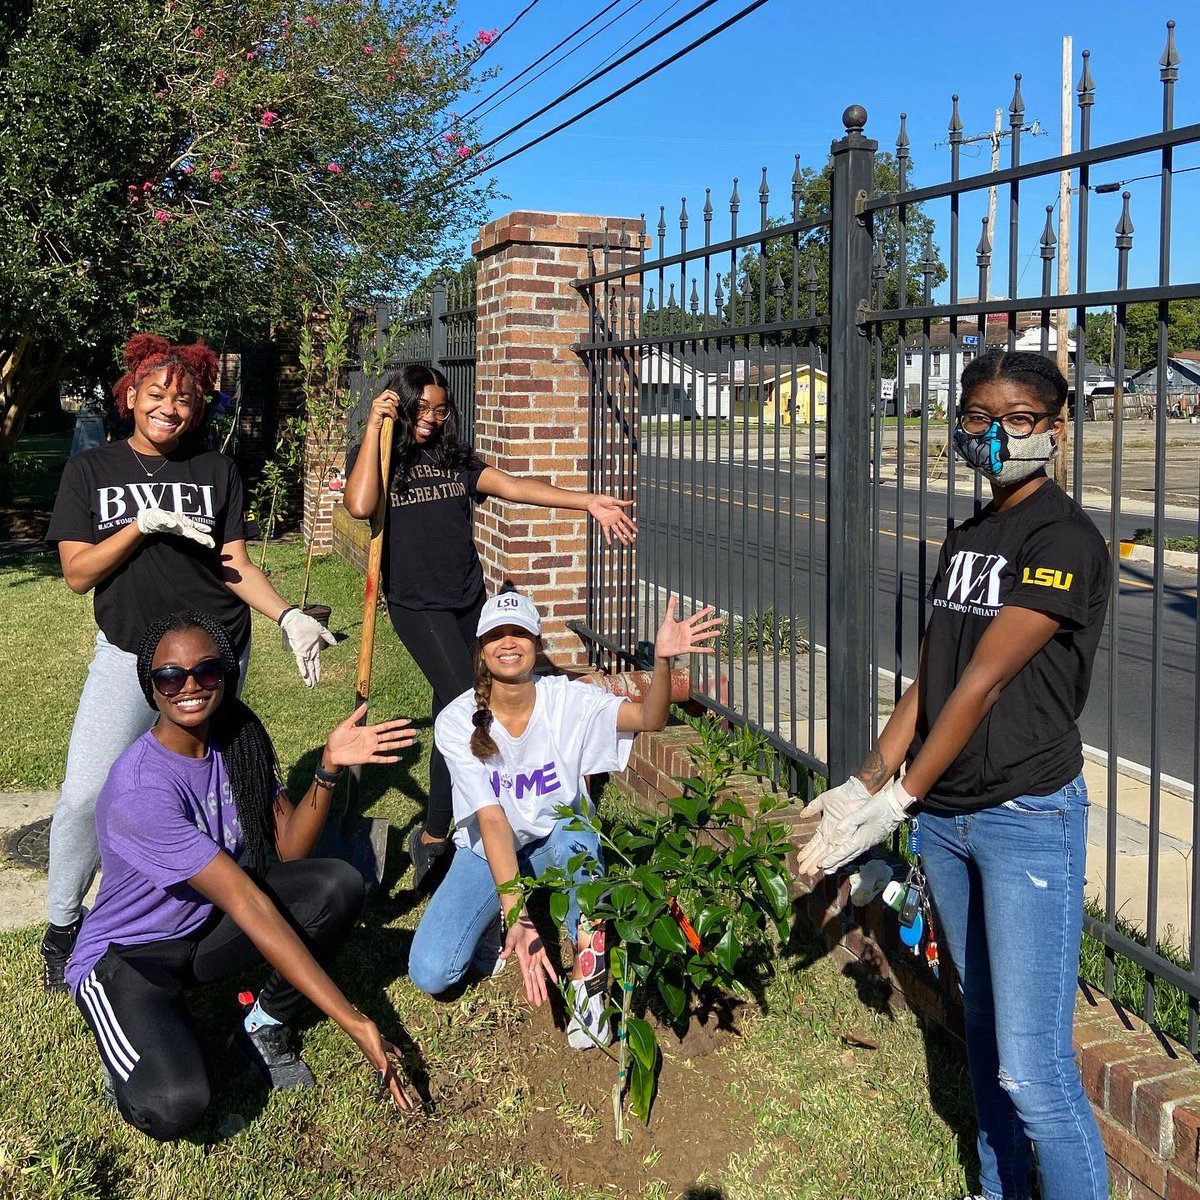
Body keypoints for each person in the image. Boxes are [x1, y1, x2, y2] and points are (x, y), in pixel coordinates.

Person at [797, 350, 1111, 1200]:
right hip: (950, 820)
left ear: (1055, 426)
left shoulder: (1066, 539)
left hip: (1024, 818)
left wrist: (896, 800)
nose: (994, 436)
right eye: (977, 419)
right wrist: (866, 783)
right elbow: (935, 675)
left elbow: (986, 682)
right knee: (978, 1027)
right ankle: (997, 1189)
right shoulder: (971, 537)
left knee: (1035, 1073)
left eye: (1017, 419)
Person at [41, 334, 336, 992]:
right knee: (87, 792)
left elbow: (233, 565)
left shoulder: (215, 472)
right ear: (130, 397)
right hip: (129, 658)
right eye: (157, 394)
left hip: (214, 656)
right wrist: (141, 524)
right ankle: (64, 925)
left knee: (215, 791)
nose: (170, 407)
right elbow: (76, 574)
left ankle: (213, 912)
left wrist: (287, 615)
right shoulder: (92, 470)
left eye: (184, 399)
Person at [67, 610, 419, 1140]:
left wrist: (327, 766)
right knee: (176, 1104)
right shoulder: (141, 789)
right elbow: (248, 903)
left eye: (206, 671)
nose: (189, 686)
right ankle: (130, 1050)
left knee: (336, 886)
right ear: (150, 688)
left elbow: (290, 851)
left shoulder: (236, 741)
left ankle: (263, 1024)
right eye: (170, 676)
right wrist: (356, 1021)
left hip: (203, 931)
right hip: (130, 956)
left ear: (226, 676)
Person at [342, 364, 638, 891]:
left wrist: (586, 502)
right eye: (421, 409)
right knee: (470, 705)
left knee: (448, 708)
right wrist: (372, 427)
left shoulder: (455, 461)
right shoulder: (385, 455)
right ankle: (488, 827)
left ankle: (434, 833)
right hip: (418, 606)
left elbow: (514, 487)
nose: (431, 419)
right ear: (400, 404)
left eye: (440, 409)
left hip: (468, 602)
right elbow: (361, 504)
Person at [407, 591, 722, 1046]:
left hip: (559, 834)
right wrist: (517, 913)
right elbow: (493, 821)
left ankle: (587, 986)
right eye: (497, 635)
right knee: (431, 970)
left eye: (519, 633)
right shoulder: (457, 721)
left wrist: (663, 664)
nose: (508, 643)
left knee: (578, 832)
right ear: (480, 649)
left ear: (537, 642)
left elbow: (649, 719)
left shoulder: (568, 700)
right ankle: (489, 929)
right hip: (489, 848)